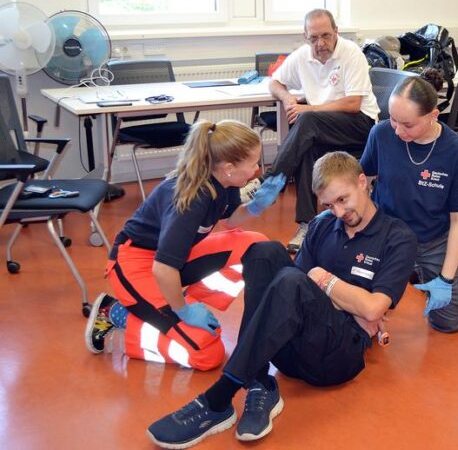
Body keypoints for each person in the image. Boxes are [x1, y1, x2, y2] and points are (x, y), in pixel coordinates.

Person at [147, 151, 416, 447]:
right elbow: (294, 292)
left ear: (362, 182)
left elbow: (374, 307)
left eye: (343, 199)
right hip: (289, 350)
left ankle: (218, 400)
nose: (338, 212)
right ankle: (260, 382)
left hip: (338, 357)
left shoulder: (397, 237)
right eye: (328, 204)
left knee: (294, 280)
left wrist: (321, 277)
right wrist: (350, 299)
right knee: (266, 251)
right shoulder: (322, 224)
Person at [84, 119, 286, 371]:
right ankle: (117, 313)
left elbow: (229, 220)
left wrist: (256, 207)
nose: (257, 169)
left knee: (256, 246)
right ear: (229, 167)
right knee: (207, 354)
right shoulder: (192, 199)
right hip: (136, 264)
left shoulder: (224, 182)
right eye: (254, 163)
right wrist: (182, 310)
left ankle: (168, 306)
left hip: (172, 258)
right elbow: (162, 268)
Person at [240, 8, 380, 254]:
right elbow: (274, 82)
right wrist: (287, 99)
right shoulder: (303, 56)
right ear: (305, 37)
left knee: (307, 122)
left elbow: (353, 104)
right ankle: (306, 225)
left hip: (360, 124)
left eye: (326, 35)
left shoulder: (351, 53)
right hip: (324, 127)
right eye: (314, 38)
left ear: (336, 32)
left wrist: (308, 109)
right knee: (307, 147)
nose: (320, 43)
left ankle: (269, 181)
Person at [360, 70, 458, 333]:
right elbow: (362, 181)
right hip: (387, 235)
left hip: (433, 240)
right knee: (360, 311)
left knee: (449, 322)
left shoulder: (455, 152)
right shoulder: (381, 134)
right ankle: (407, 270)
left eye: (408, 125)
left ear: (433, 116)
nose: (398, 131)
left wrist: (446, 278)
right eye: (393, 119)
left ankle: (423, 273)